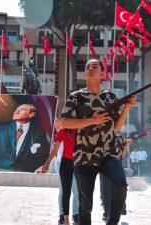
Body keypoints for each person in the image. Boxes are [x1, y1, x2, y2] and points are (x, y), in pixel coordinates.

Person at [60, 58, 136, 225]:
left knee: (120, 185)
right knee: (85, 206)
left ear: (102, 73)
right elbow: (64, 123)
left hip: (108, 153)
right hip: (84, 155)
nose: (90, 68)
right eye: (87, 67)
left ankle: (112, 222)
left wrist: (126, 109)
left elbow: (115, 128)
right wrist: (92, 121)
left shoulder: (110, 97)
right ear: (85, 74)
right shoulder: (76, 97)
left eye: (95, 66)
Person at [0, 103, 49, 172]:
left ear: (31, 114)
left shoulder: (39, 134)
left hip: (24, 176)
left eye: (23, 109)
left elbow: (42, 156)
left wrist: (42, 167)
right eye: (16, 109)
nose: (17, 111)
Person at [35, 128, 79, 225]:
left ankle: (76, 214)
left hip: (78, 163)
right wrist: (47, 164)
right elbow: (55, 149)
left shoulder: (81, 129)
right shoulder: (63, 131)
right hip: (65, 163)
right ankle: (63, 216)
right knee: (64, 192)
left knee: (77, 191)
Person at [101, 134, 133, 221]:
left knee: (121, 188)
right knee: (106, 192)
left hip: (117, 164)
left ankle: (121, 210)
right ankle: (106, 213)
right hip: (104, 166)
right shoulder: (101, 135)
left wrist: (126, 145)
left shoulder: (119, 138)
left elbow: (121, 155)